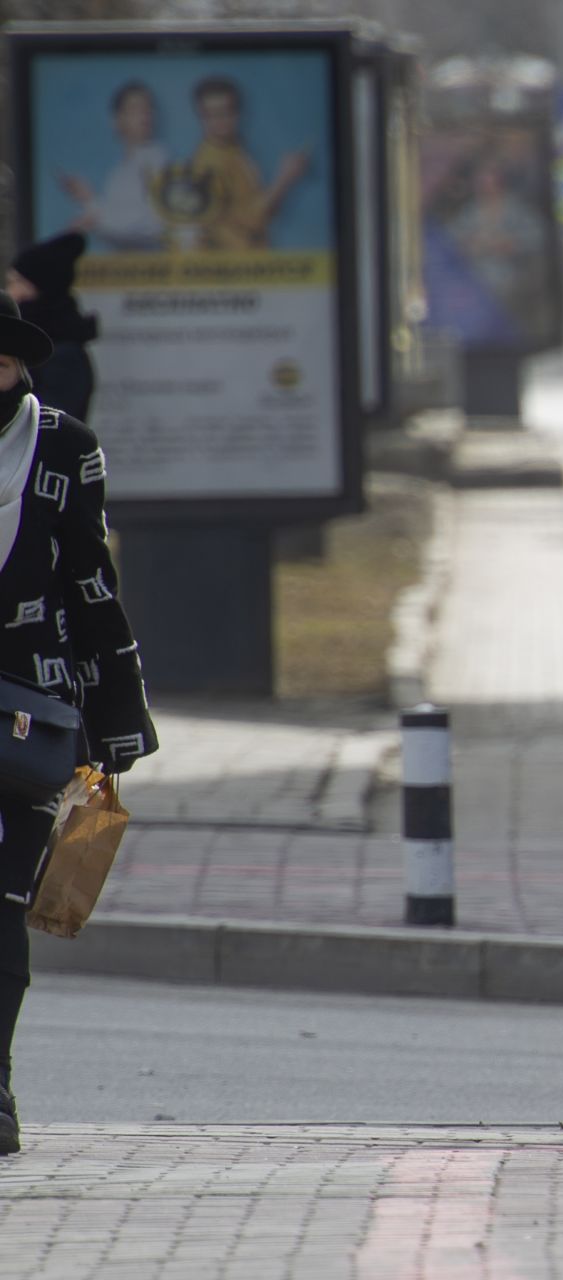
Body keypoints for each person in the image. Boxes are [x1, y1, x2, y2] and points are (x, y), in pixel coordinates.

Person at [0, 294, 158, 1157]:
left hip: (33, 710)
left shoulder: (64, 445)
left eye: (0, 365)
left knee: (6, 906)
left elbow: (92, 583)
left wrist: (114, 730)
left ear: (22, 368)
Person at [184, 76, 310, 251]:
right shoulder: (208, 164)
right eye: (211, 114)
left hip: (251, 258)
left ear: (238, 113)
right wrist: (285, 178)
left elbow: (263, 208)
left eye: (226, 111)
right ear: (200, 116)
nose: (220, 120)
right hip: (234, 264)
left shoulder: (235, 149)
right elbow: (253, 220)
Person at [59, 81, 169, 252]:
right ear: (117, 120)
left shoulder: (158, 160)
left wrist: (90, 204)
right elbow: (116, 230)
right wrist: (87, 211)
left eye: (148, 109)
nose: (145, 116)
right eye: (135, 110)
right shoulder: (118, 172)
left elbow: (151, 224)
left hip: (154, 269)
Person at [7, 234, 98, 422]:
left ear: (37, 288)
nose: (9, 291)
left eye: (15, 282)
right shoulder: (24, 341)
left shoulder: (63, 353)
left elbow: (51, 422)